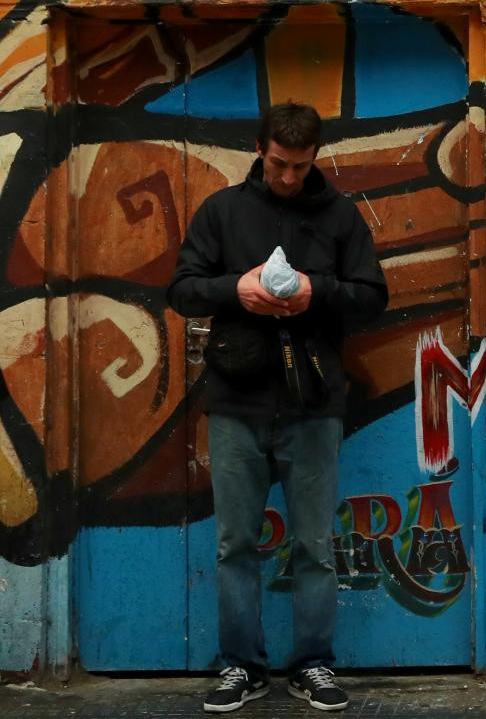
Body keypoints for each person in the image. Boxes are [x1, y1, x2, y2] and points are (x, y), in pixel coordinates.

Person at [167, 102, 388, 713]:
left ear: (316, 156)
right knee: (235, 542)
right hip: (237, 401)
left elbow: (373, 297)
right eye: (279, 163)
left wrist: (318, 292)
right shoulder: (223, 211)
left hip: (314, 406)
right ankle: (242, 666)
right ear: (260, 149)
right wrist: (234, 288)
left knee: (315, 544)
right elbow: (182, 289)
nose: (289, 177)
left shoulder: (340, 216)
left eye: (300, 165)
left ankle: (312, 663)